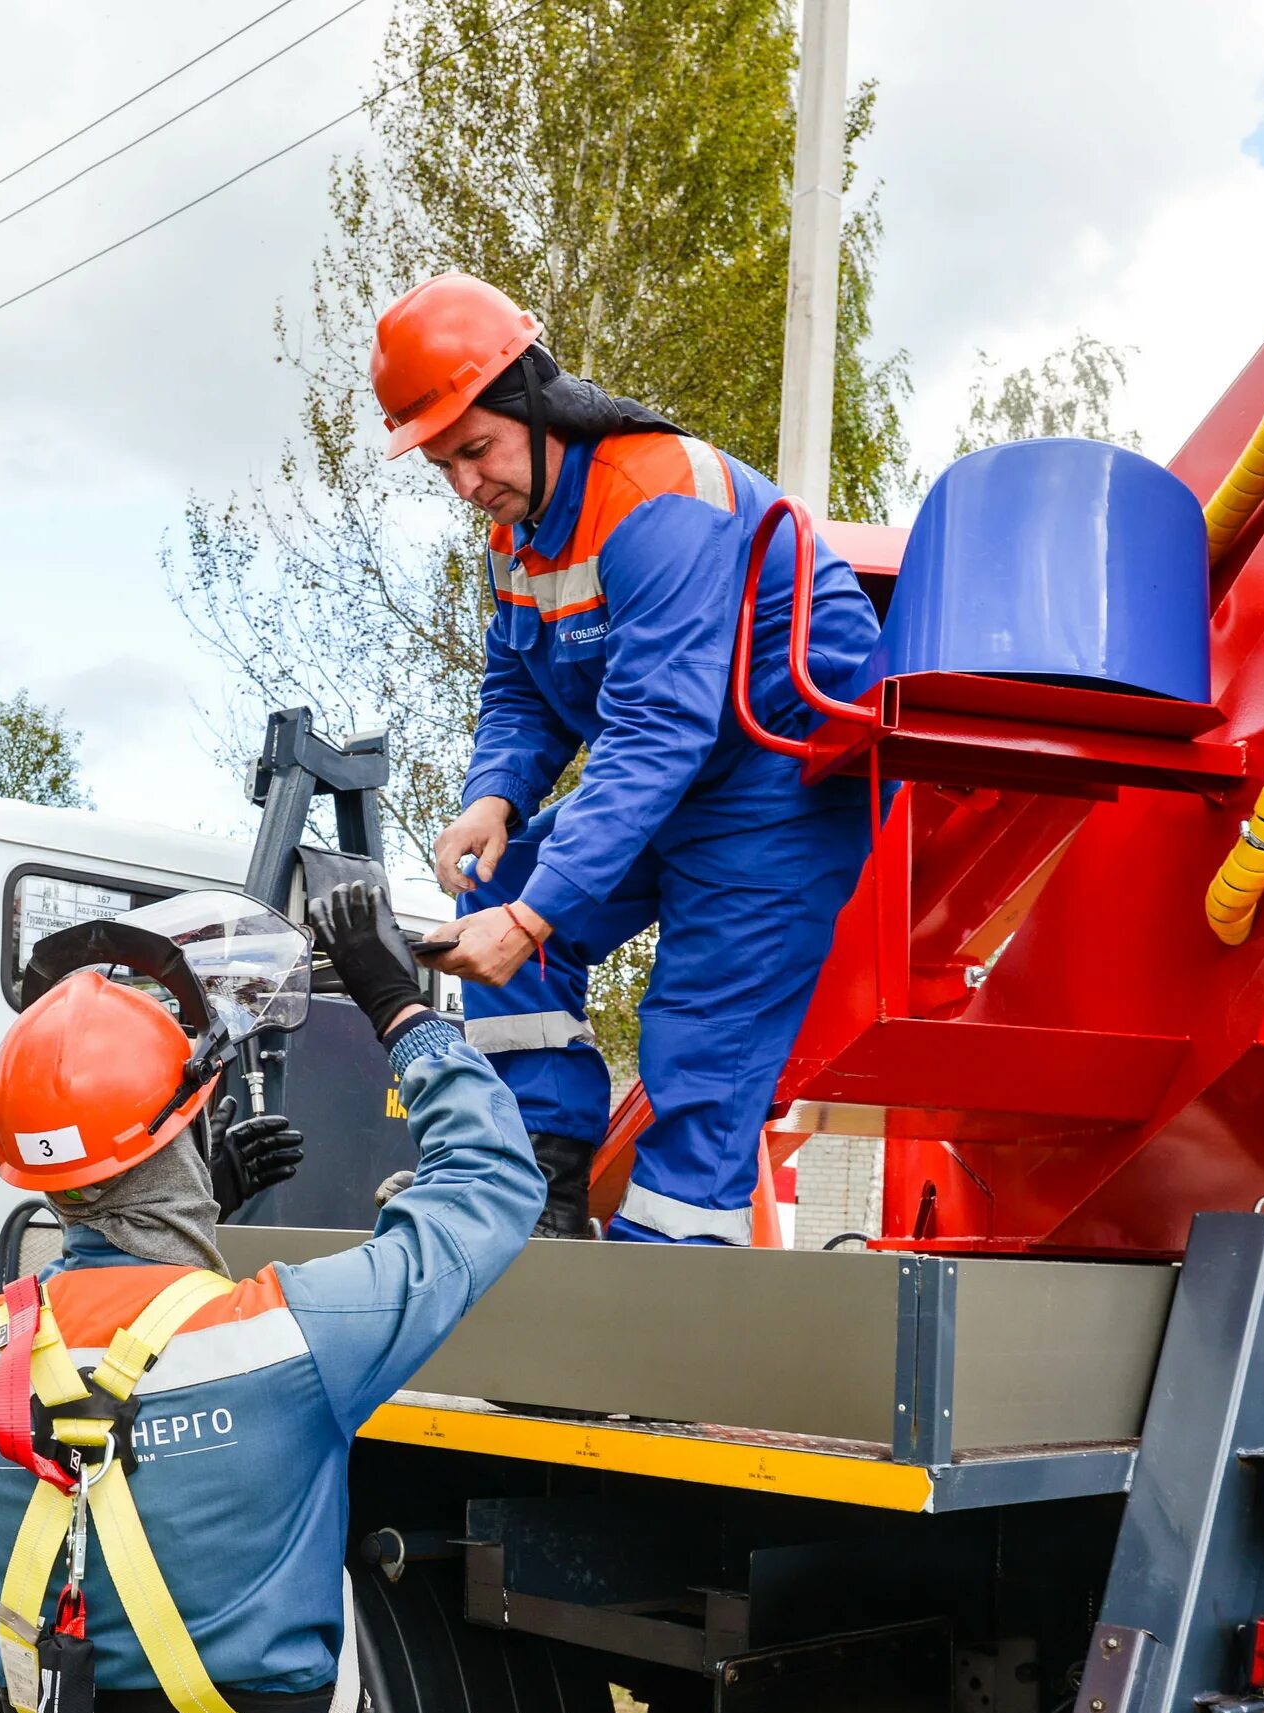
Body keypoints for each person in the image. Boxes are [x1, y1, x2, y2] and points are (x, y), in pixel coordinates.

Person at [0, 880, 541, 1713]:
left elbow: (112, 1341)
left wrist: (192, 1215)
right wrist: (402, 1006)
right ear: (192, 1117)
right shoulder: (293, 1339)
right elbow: (488, 1188)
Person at [377, 273, 888, 1245]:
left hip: (784, 777)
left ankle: (666, 1291)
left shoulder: (661, 497)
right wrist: (493, 797)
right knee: (496, 880)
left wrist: (535, 920)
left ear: (533, 400)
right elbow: (524, 685)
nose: (467, 483)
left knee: (701, 1045)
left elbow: (659, 726)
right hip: (683, 773)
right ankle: (535, 1184)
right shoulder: (515, 539)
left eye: (475, 449)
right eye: (443, 464)